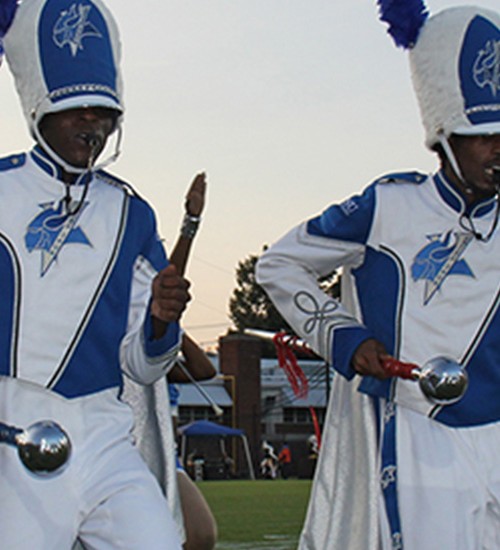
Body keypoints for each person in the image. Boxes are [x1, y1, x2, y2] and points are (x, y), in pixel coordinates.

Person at [257, 4, 500, 549]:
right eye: (483, 134)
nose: (498, 148)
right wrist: (346, 338)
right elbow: (280, 264)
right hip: (421, 430)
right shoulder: (390, 206)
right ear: (445, 137)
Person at [0, 1, 190, 548]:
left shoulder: (132, 214)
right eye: (76, 108)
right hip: (14, 429)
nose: (92, 123)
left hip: (105, 434)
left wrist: (161, 321)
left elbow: (142, 366)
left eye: (103, 112)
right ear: (39, 107)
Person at [123, 173, 218, 550]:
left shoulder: (157, 348)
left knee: (200, 534)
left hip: (162, 451)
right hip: (118, 446)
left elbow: (204, 370)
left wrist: (171, 323)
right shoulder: (113, 323)